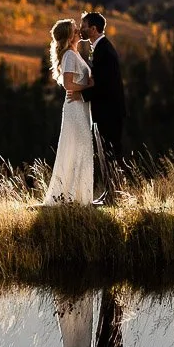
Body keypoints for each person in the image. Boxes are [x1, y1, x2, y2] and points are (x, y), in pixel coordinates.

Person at [68, 11, 126, 205]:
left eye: (83, 26)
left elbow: (105, 86)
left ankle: (114, 195)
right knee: (105, 153)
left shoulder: (105, 51)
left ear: (93, 29)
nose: (80, 29)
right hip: (104, 111)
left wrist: (81, 94)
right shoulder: (100, 48)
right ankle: (110, 193)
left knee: (110, 153)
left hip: (109, 112)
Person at [43, 18, 94, 205]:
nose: (79, 30)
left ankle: (78, 196)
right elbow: (68, 84)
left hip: (80, 106)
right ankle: (73, 197)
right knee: (79, 147)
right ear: (69, 36)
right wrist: (89, 86)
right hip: (75, 107)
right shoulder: (70, 56)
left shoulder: (74, 53)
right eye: (75, 29)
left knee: (81, 147)